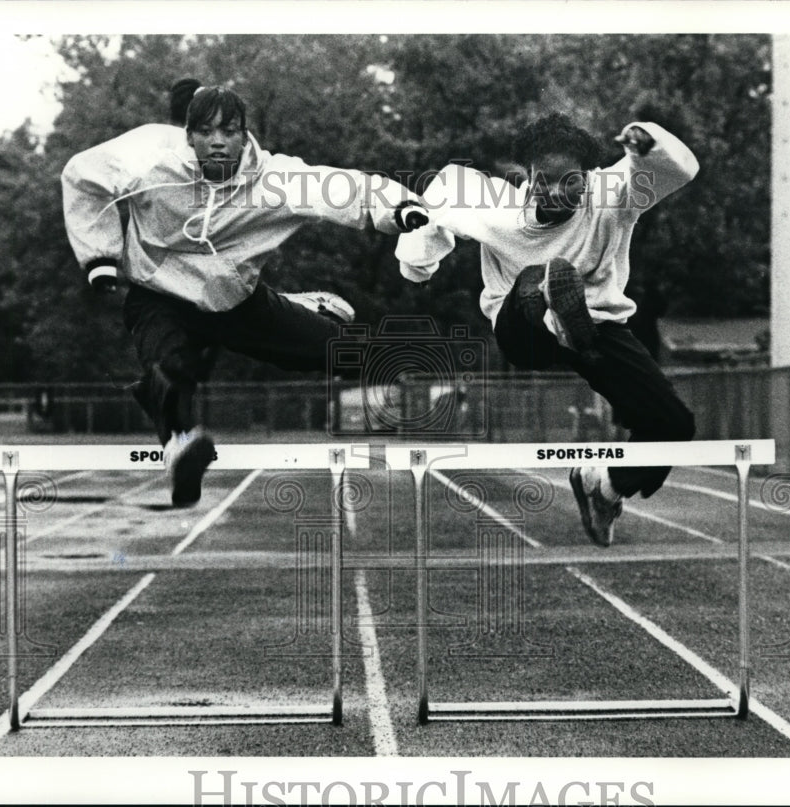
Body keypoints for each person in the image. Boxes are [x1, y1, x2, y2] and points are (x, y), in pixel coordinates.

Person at [62, 83, 428, 506]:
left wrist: (398, 207)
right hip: (159, 295)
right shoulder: (148, 158)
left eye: (229, 131)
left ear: (245, 134)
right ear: (187, 134)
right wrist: (99, 257)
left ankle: (304, 309)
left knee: (339, 354)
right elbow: (82, 176)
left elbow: (343, 187)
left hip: (236, 301)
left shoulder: (275, 179)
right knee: (167, 370)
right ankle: (180, 446)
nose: (217, 142)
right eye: (205, 132)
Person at [396, 112, 698, 547]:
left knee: (673, 424)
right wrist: (417, 265)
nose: (556, 192)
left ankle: (604, 486)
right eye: (544, 181)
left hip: (597, 325)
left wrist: (648, 142)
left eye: (570, 182)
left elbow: (681, 168)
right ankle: (552, 304)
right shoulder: (492, 206)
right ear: (527, 178)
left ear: (589, 178)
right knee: (535, 280)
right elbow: (436, 199)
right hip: (523, 327)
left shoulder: (613, 193)